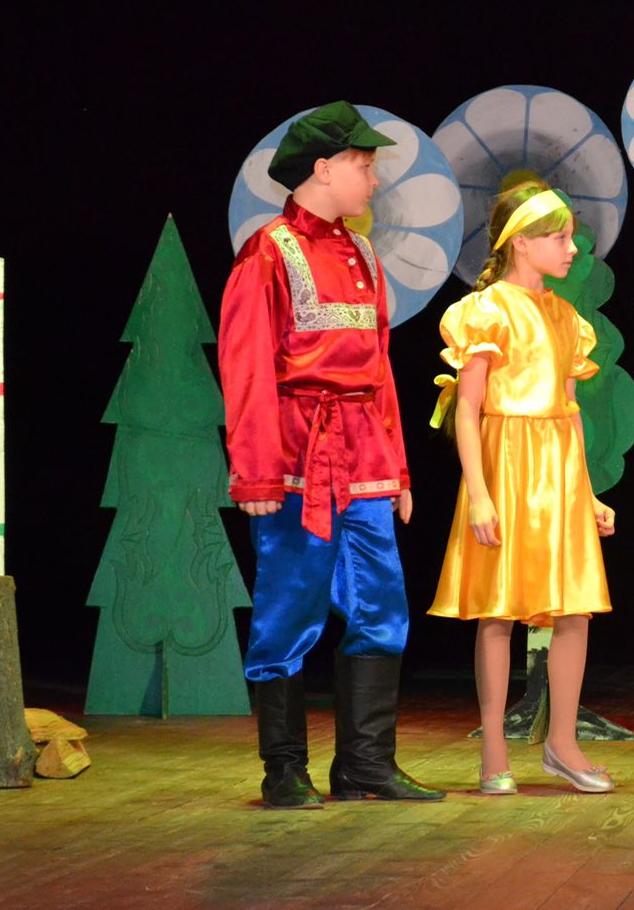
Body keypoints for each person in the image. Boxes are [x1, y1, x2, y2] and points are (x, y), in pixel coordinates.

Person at [219, 100, 443, 808]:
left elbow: (381, 371)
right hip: (297, 461)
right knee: (288, 607)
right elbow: (247, 368)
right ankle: (284, 767)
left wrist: (398, 468)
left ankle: (366, 764)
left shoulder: (366, 256)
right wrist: (256, 472)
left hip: (366, 460)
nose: (374, 179)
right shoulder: (267, 252)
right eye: (363, 166)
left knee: (382, 606)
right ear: (322, 169)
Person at [428, 185, 617, 795]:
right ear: (522, 243)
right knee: (498, 609)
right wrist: (479, 493)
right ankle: (493, 749)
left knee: (574, 606)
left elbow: (570, 409)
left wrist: (587, 491)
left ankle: (562, 742)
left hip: (558, 470)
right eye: (558, 237)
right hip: (506, 464)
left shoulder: (566, 317)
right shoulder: (486, 310)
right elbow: (467, 409)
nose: (571, 248)